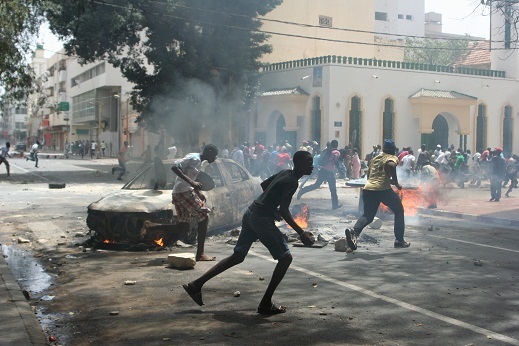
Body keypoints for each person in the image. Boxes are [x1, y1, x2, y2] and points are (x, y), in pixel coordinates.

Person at [182, 151, 315, 313]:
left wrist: (272, 208)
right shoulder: (292, 181)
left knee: (238, 256)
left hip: (251, 213)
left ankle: (196, 285)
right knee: (285, 258)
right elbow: (285, 210)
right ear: (299, 163)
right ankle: (265, 303)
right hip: (261, 220)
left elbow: (265, 186)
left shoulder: (284, 172)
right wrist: (301, 233)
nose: (312, 166)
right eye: (308, 163)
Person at [345, 139, 410, 251]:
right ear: (393, 150)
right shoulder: (391, 157)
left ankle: (354, 232)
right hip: (382, 189)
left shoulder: (375, 158)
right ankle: (399, 240)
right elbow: (391, 165)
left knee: (368, 215)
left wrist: (388, 180)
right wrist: (395, 181)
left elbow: (371, 176)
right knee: (399, 210)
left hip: (369, 188)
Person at [297, 140, 342, 210]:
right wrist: (340, 169)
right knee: (333, 189)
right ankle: (335, 205)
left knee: (316, 185)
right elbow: (336, 161)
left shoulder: (327, 151)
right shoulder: (336, 152)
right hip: (329, 172)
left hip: (322, 170)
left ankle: (302, 190)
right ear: (337, 145)